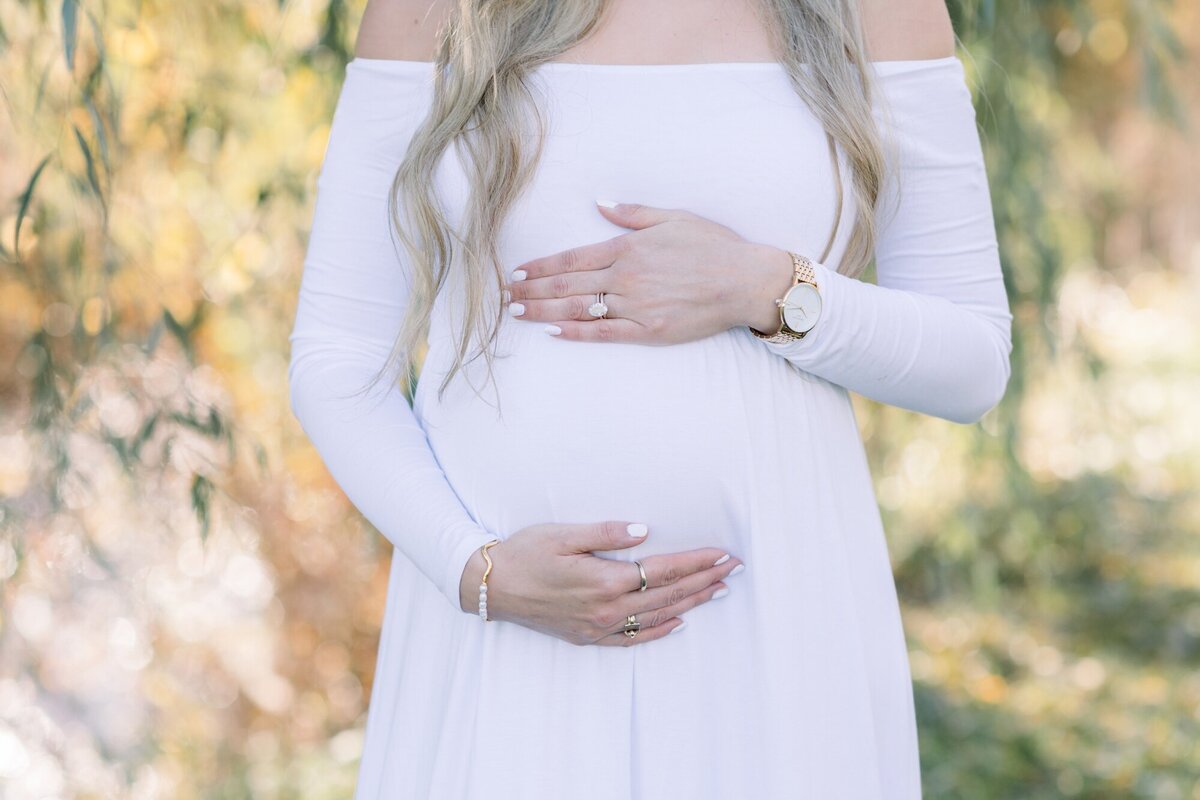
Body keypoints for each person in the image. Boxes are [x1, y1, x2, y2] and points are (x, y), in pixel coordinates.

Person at [287, 0, 1013, 796]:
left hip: (773, 632)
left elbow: (971, 360)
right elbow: (337, 363)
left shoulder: (875, 11)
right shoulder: (434, 11)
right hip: (512, 638)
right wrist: (474, 568)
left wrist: (766, 288)